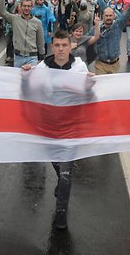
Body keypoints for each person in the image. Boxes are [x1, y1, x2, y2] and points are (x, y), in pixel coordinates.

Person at [21, 29, 90, 230]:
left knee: (67, 172)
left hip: (71, 126)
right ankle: (61, 183)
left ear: (70, 46)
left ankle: (61, 211)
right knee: (58, 166)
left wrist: (90, 84)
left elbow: (89, 94)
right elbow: (29, 93)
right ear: (52, 47)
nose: (61, 49)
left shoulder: (79, 67)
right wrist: (26, 78)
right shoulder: (42, 67)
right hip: (49, 125)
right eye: (57, 45)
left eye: (64, 45)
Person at [94, 0, 130, 74]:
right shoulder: (97, 28)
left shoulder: (118, 25)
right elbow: (87, 39)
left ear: (114, 16)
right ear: (103, 16)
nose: (108, 18)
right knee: (101, 86)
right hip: (100, 64)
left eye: (110, 15)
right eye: (106, 16)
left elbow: (127, 15)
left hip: (115, 65)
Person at [0, 0, 45, 68]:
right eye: (24, 6)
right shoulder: (14, 19)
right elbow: (2, 11)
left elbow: (40, 41)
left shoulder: (37, 22)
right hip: (18, 57)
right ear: (21, 6)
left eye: (29, 6)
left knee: (31, 79)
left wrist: (42, 56)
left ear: (32, 7)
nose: (26, 8)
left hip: (32, 57)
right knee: (18, 79)